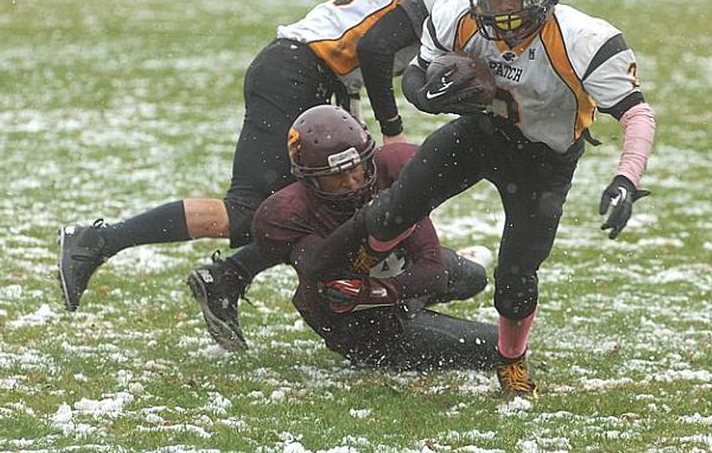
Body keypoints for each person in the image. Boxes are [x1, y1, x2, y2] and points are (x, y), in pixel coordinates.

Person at [57, 0, 516, 313]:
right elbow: (376, 47)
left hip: (318, 77)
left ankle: (229, 277)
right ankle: (101, 242)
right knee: (248, 211)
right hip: (298, 72)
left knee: (320, 211)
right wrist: (391, 130)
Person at [356, 0, 657, 397]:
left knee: (516, 274)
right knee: (398, 206)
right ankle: (356, 275)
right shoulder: (457, 13)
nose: (503, 9)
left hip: (544, 160)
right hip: (482, 132)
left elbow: (636, 114)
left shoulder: (584, 39)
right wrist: (430, 97)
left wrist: (626, 177)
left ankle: (510, 362)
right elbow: (417, 75)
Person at [192, 104, 501, 368]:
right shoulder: (288, 212)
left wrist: (379, 291)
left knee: (473, 276)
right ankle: (416, 325)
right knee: (499, 348)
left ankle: (423, 304)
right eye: (335, 176)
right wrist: (364, 220)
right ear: (310, 179)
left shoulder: (391, 167)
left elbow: (432, 271)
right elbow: (316, 265)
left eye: (356, 168)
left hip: (391, 279)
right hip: (361, 325)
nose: (351, 181)